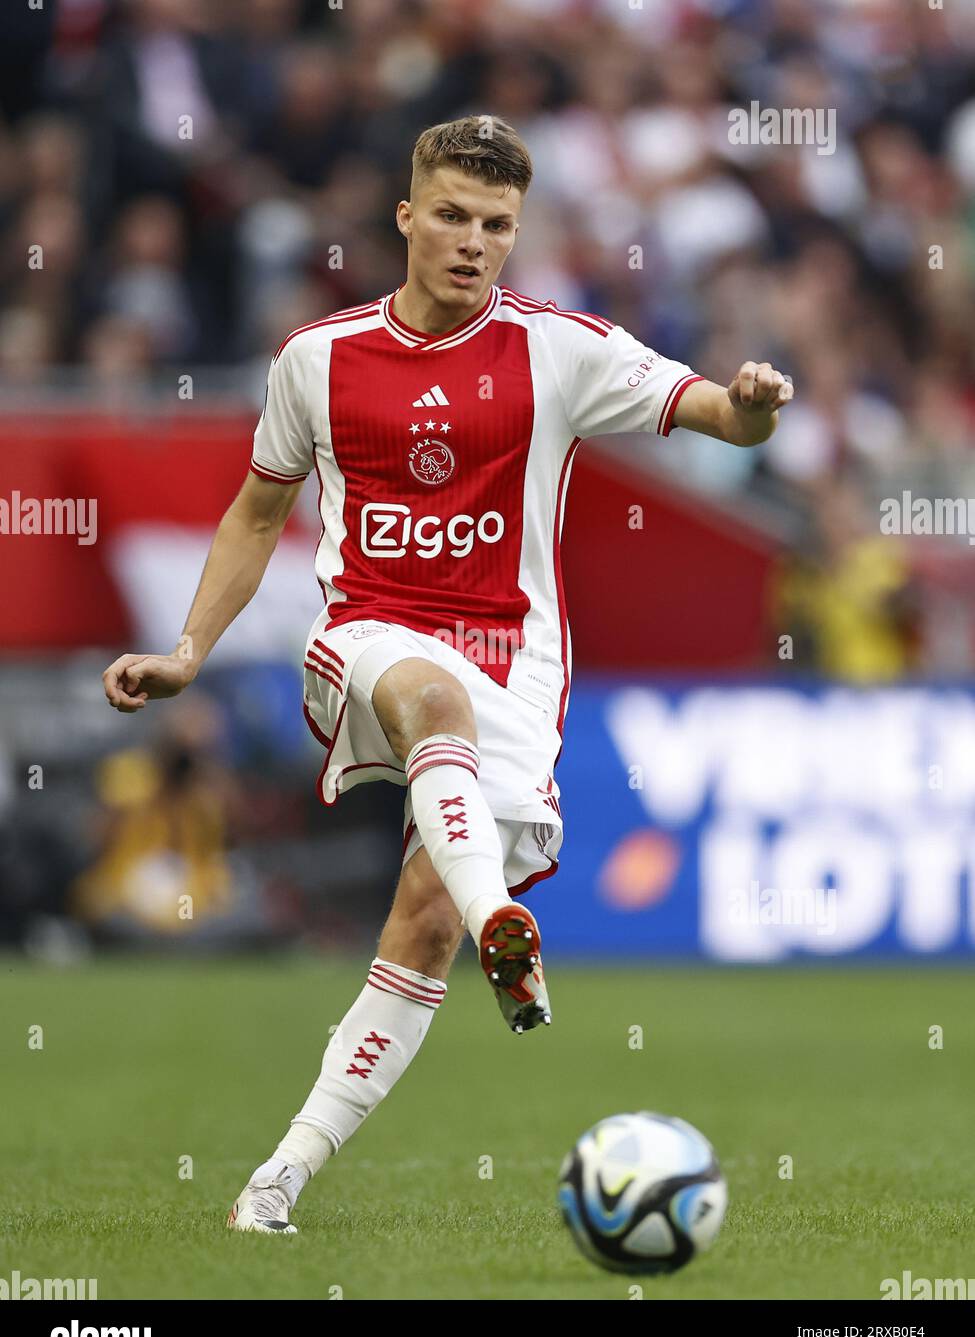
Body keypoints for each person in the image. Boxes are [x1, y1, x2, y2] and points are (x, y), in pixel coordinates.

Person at [103, 114, 794, 1234]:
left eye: (499, 225)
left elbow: (717, 414)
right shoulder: (318, 361)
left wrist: (753, 407)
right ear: (408, 217)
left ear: (516, 231)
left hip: (517, 670)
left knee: (416, 921)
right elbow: (256, 511)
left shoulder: (557, 349)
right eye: (457, 218)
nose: (475, 243)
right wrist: (190, 650)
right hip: (369, 638)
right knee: (432, 701)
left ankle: (276, 1180)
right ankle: (502, 925)